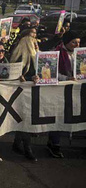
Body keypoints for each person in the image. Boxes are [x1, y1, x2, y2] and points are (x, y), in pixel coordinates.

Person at [44, 30, 81, 159]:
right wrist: (67, 78)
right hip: (60, 89)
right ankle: (54, 143)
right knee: (59, 115)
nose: (76, 45)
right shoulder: (58, 53)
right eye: (73, 42)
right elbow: (52, 72)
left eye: (78, 42)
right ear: (66, 42)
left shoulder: (80, 54)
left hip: (75, 89)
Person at [10, 34, 39, 161]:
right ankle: (27, 148)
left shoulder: (32, 58)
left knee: (23, 119)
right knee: (25, 120)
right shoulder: (22, 59)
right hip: (23, 93)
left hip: (27, 93)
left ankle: (17, 143)